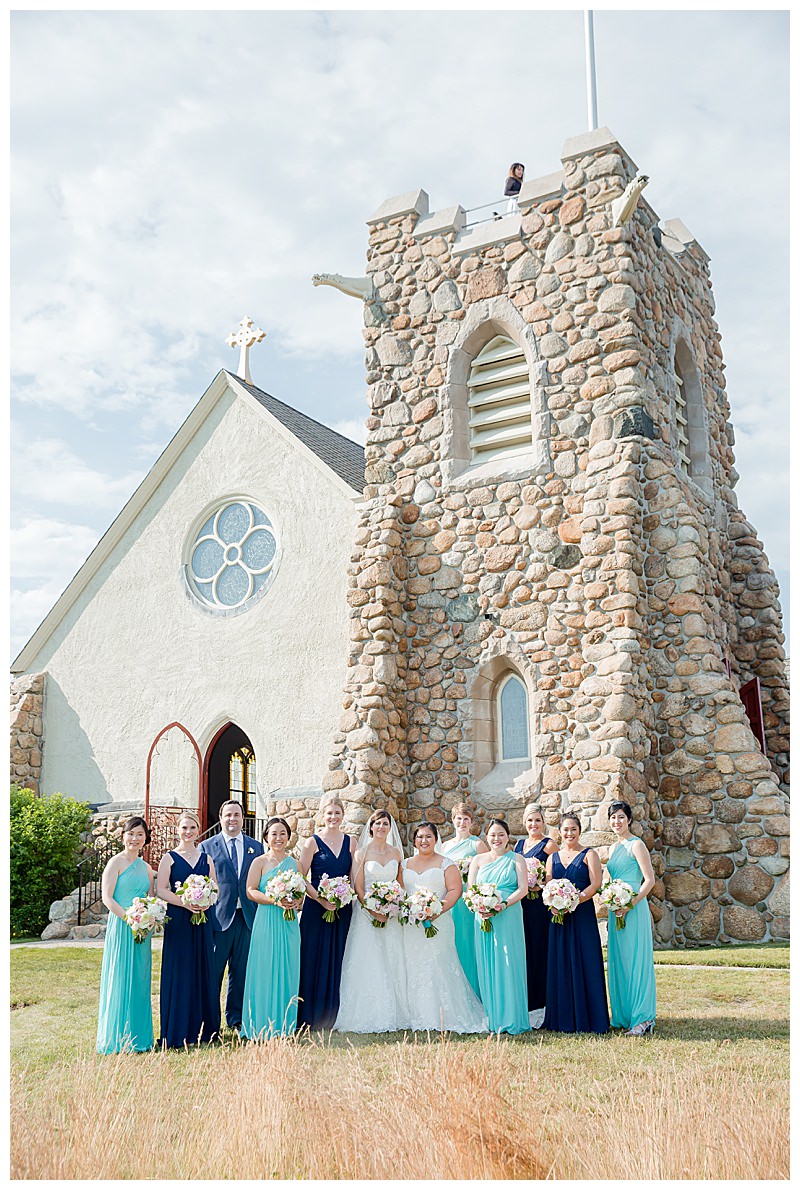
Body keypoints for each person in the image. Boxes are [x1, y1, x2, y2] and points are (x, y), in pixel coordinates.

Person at [401, 822, 487, 1033]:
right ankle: (415, 1014)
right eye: (420, 836)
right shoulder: (404, 865)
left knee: (439, 963)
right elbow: (400, 891)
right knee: (412, 965)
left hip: (439, 922)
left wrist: (434, 911)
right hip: (412, 925)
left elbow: (454, 890)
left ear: (436, 839)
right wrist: (412, 910)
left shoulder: (446, 863)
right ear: (414, 840)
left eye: (429, 836)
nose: (424, 840)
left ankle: (442, 1013)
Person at [334, 808, 409, 1034]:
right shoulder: (361, 853)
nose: (381, 827)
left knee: (391, 959)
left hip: (391, 916)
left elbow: (401, 884)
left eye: (385, 824)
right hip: (367, 914)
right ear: (371, 827)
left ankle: (394, 1012)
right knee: (369, 961)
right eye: (377, 824)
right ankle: (367, 1012)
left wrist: (392, 905)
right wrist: (373, 908)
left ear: (390, 827)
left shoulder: (397, 853)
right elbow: (358, 885)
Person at [157, 810, 220, 1047]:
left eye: (192, 828)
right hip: (179, 921)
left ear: (198, 830)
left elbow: (215, 888)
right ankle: (178, 1031)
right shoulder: (169, 858)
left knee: (202, 970)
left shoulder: (207, 859)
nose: (188, 832)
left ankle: (205, 1030)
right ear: (178, 830)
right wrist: (184, 901)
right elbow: (161, 889)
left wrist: (205, 899)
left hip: (202, 920)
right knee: (180, 971)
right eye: (184, 828)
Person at [200, 800, 263, 1032]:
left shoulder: (255, 847)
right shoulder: (207, 846)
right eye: (228, 815)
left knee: (241, 971)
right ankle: (209, 1021)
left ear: (242, 818)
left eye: (237, 814)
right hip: (219, 918)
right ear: (220, 817)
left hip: (246, 917)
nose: (232, 819)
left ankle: (235, 1019)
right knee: (213, 972)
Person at [543, 812, 609, 1034]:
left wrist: (573, 900)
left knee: (586, 959)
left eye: (573, 829)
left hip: (581, 915)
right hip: (558, 917)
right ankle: (563, 1018)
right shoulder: (553, 858)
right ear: (559, 832)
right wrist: (555, 901)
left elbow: (596, 884)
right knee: (560, 961)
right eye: (565, 829)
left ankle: (591, 1019)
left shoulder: (590, 854)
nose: (569, 833)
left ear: (579, 830)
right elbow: (548, 884)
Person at [96, 816, 155, 1053]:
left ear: (145, 839)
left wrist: (149, 917)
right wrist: (129, 918)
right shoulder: (115, 863)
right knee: (119, 976)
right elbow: (107, 898)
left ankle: (139, 1037)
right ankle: (116, 1037)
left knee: (139, 979)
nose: (135, 838)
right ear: (123, 836)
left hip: (142, 931)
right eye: (131, 834)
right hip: (122, 927)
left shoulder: (147, 868)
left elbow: (151, 898)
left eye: (140, 834)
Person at [297, 797, 356, 1030]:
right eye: (329, 813)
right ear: (322, 815)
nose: (333, 817)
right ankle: (309, 1013)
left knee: (338, 956)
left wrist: (344, 896)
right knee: (313, 957)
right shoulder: (312, 843)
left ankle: (334, 1014)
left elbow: (353, 877)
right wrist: (321, 898)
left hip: (342, 909)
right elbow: (301, 876)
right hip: (315, 909)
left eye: (337, 813)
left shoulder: (351, 842)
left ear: (343, 815)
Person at [241, 817, 303, 1039]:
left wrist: (297, 903)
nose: (278, 838)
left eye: (283, 834)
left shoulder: (296, 864)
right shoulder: (259, 861)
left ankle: (285, 1024)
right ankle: (260, 1024)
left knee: (287, 967)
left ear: (288, 837)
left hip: (288, 923)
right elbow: (250, 890)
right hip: (267, 919)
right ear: (266, 837)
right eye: (274, 834)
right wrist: (273, 899)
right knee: (264, 967)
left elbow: (301, 894)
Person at [467, 818, 529, 1035]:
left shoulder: (517, 859)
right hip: (483, 916)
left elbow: (523, 889)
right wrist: (479, 905)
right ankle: (493, 1016)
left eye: (501, 834)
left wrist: (502, 904)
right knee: (488, 962)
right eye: (493, 835)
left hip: (508, 915)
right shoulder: (477, 860)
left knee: (508, 961)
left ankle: (512, 1016)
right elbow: (470, 889)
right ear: (487, 837)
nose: (496, 839)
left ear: (508, 836)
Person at [605, 800, 657, 1036]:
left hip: (633, 909)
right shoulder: (613, 849)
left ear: (629, 820)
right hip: (616, 910)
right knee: (620, 962)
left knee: (636, 961)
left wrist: (630, 903)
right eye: (613, 818)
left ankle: (643, 1019)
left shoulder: (636, 845)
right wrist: (611, 900)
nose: (616, 822)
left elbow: (649, 880)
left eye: (620, 817)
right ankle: (624, 1016)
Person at [514, 802, 558, 1028]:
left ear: (543, 822)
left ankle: (543, 1004)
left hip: (540, 907)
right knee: (525, 952)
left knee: (540, 951)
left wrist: (540, 884)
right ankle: (527, 1002)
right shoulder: (518, 845)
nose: (534, 824)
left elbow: (557, 871)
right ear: (524, 822)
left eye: (538, 820)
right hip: (521, 906)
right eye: (530, 820)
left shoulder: (549, 844)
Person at [440, 802, 488, 999]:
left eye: (466, 819)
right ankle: (454, 995)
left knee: (467, 942)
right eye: (458, 818)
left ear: (471, 822)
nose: (462, 822)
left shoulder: (477, 844)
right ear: (453, 820)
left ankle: (474, 993)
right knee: (450, 943)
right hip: (450, 900)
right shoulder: (444, 846)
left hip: (467, 901)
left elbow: (487, 870)